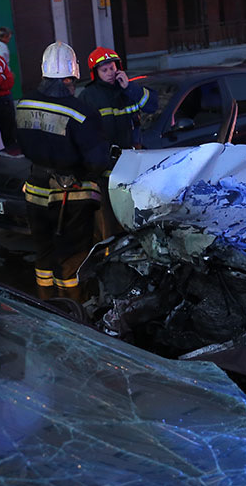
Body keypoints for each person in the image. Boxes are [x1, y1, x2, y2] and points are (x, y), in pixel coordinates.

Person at [16, 41, 110, 300]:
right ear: (73, 74)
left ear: (44, 71)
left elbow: (23, 145)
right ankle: (73, 310)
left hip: (35, 189)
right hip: (72, 195)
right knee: (72, 256)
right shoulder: (82, 113)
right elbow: (97, 161)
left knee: (43, 252)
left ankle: (47, 306)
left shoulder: (24, 104)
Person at [80, 46, 152, 238]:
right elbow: (83, 134)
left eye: (112, 68)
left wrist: (130, 88)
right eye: (104, 70)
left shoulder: (127, 90)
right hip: (105, 171)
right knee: (108, 219)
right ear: (95, 73)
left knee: (135, 215)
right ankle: (109, 254)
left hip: (132, 167)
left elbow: (152, 105)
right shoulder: (89, 96)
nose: (110, 73)